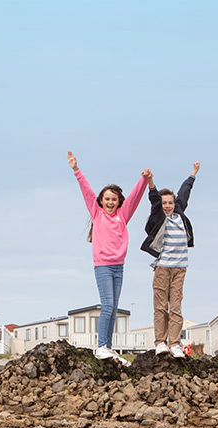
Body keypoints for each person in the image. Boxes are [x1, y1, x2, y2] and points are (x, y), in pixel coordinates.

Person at [68, 151, 151, 366]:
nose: (111, 202)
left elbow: (134, 197)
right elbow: (86, 191)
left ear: (118, 202)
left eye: (114, 199)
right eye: (107, 199)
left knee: (114, 307)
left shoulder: (123, 215)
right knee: (108, 305)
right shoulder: (97, 213)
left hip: (118, 267)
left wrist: (143, 180)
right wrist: (77, 170)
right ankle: (101, 347)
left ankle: (108, 348)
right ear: (101, 201)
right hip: (103, 266)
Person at [141, 162, 200, 358]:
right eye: (164, 203)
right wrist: (150, 181)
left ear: (175, 204)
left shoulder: (179, 214)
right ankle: (160, 342)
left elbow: (185, 192)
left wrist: (192, 174)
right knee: (160, 307)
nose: (167, 206)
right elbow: (154, 200)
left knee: (175, 307)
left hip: (180, 268)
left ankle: (174, 343)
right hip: (162, 268)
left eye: (170, 202)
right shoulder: (159, 216)